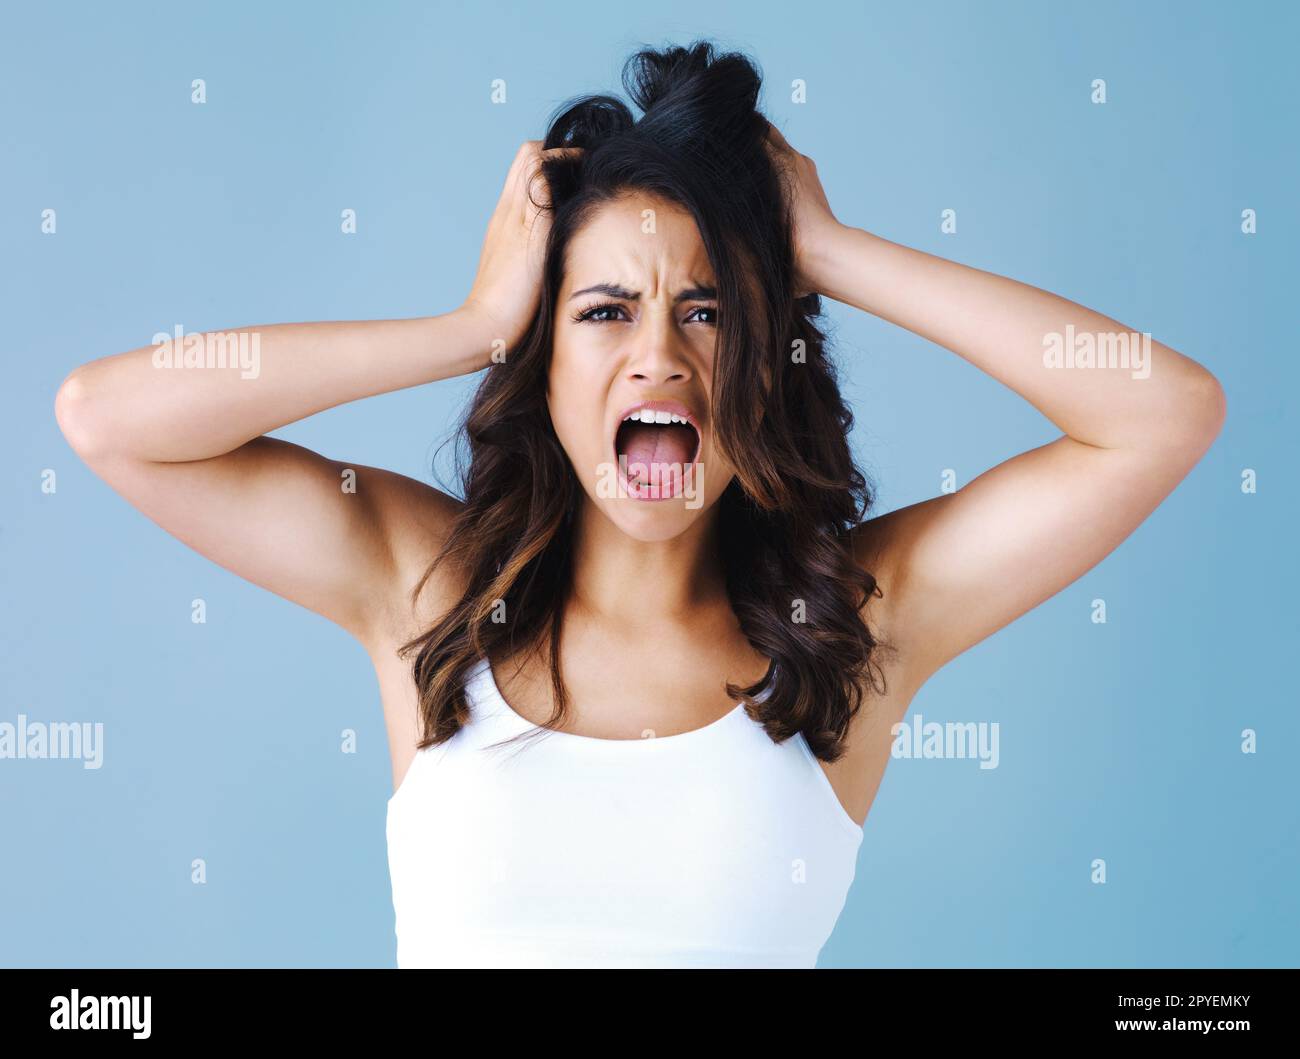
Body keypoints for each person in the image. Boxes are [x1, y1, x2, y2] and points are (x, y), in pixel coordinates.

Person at [54, 42, 1225, 968]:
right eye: (605, 311)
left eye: (707, 313)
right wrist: (463, 329)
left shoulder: (855, 629)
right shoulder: (434, 588)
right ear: (542, 360)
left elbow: (1161, 413)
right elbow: (110, 420)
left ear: (762, 361)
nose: (659, 356)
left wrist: (828, 247)